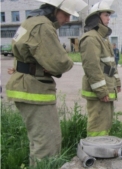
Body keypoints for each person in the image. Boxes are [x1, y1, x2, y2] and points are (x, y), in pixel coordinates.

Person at [5, 0, 87, 166]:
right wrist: (64, 63)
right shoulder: (43, 26)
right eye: (66, 14)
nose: (68, 19)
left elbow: (22, 53)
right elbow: (60, 62)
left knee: (37, 140)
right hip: (34, 90)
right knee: (48, 143)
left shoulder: (30, 21)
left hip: (24, 86)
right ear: (55, 10)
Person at [79, 0, 121, 137]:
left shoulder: (103, 38)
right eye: (105, 15)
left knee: (105, 123)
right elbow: (92, 68)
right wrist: (101, 91)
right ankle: (94, 150)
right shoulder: (91, 38)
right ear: (96, 18)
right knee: (97, 125)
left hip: (107, 88)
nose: (109, 18)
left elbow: (111, 64)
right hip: (98, 92)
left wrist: (117, 82)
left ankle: (102, 149)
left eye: (109, 15)